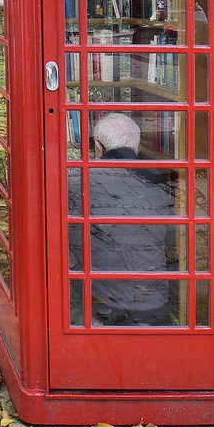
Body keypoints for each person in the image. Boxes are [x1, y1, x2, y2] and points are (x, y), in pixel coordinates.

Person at [86, 113, 174, 326]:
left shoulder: (83, 181)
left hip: (102, 306)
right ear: (139, 149)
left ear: (98, 148)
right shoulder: (159, 182)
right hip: (156, 304)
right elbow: (171, 242)